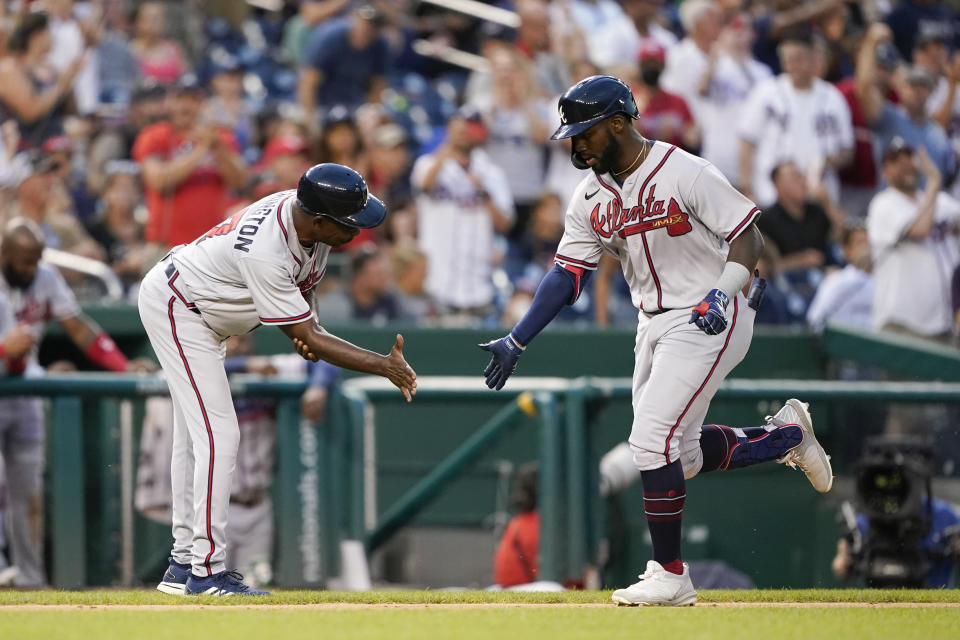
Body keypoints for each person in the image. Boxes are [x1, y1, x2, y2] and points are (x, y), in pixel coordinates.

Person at [478, 75, 833, 606]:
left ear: (618, 124)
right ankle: (785, 436)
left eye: (584, 133)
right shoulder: (590, 195)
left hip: (712, 308)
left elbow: (749, 237)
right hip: (654, 322)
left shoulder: (682, 168)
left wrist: (721, 293)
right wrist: (517, 338)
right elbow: (567, 274)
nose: (575, 144)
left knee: (650, 441)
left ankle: (670, 573)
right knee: (678, 456)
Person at [138, 163, 416, 597]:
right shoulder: (267, 247)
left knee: (196, 440)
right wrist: (383, 365)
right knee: (219, 435)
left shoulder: (311, 223)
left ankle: (181, 564)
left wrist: (310, 333)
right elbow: (307, 335)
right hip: (179, 305)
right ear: (321, 220)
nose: (359, 231)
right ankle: (205, 572)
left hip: (208, 313)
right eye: (351, 223)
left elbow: (308, 313)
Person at [0, 218, 144, 587]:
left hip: (22, 388)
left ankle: (29, 579)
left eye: (35, 260)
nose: (30, 269)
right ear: (4, 254)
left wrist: (122, 366)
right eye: (23, 261)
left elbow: (78, 328)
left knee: (28, 491)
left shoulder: (45, 278)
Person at [137, 334, 340, 589]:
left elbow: (327, 362)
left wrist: (317, 387)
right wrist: (244, 365)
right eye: (230, 339)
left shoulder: (265, 369)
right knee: (206, 587)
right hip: (216, 511)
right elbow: (185, 368)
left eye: (244, 341)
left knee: (251, 586)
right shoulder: (203, 371)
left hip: (257, 507)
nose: (237, 346)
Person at [412, 110, 513, 323]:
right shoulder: (428, 164)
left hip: (479, 284)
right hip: (436, 281)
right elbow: (424, 185)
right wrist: (446, 152)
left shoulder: (491, 173)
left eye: (466, 129)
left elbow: (505, 223)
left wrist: (484, 193)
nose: (462, 134)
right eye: (457, 129)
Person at [738, 30, 853, 208]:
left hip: (819, 195)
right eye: (787, 59)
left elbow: (847, 150)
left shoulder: (832, 97)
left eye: (798, 58)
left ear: (812, 58)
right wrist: (748, 189)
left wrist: (830, 161)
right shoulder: (766, 92)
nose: (792, 65)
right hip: (770, 195)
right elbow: (746, 143)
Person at [132, 75, 248, 251]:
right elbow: (159, 181)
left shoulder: (220, 137)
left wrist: (218, 148)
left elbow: (240, 181)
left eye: (193, 100)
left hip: (213, 245)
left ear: (203, 105)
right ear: (169, 102)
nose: (186, 106)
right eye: (180, 99)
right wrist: (202, 148)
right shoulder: (154, 135)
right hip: (166, 246)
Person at [867, 138, 960, 340]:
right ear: (884, 172)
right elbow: (921, 229)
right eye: (896, 161)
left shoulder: (941, 201)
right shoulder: (883, 205)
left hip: (945, 325)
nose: (905, 164)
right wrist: (934, 183)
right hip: (903, 326)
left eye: (909, 157)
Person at [806, 225, 874, 333]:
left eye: (869, 243)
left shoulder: (888, 282)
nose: (866, 249)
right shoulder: (838, 281)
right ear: (847, 250)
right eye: (860, 243)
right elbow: (815, 320)